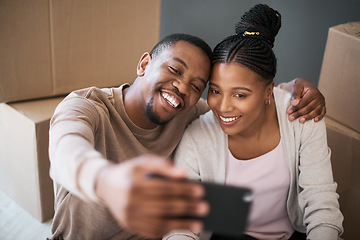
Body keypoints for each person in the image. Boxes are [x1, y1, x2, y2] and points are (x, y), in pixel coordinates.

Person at [48, 31, 326, 239]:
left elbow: (242, 101)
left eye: (196, 85)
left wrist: (296, 88)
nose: (181, 87)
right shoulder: (87, 107)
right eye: (174, 69)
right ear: (144, 64)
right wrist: (106, 180)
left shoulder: (186, 113)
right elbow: (65, 152)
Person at [166, 4, 343, 240]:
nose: (223, 106)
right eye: (215, 91)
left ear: (268, 91)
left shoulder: (301, 117)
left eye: (240, 94)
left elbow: (322, 204)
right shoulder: (198, 135)